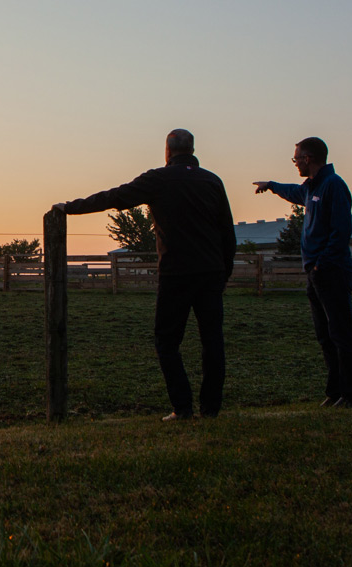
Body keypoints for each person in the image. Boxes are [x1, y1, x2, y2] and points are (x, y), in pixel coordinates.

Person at [54, 129, 236, 421]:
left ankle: (183, 407)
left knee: (167, 341)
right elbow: (227, 230)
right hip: (211, 272)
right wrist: (224, 272)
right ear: (192, 149)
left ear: (167, 151)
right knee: (212, 341)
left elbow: (115, 197)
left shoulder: (159, 179)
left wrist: (71, 208)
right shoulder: (212, 181)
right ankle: (211, 408)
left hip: (177, 272)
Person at [253, 137, 352, 408]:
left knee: (341, 333)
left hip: (331, 271)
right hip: (317, 273)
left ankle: (351, 394)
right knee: (325, 334)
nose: (295, 163)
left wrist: (320, 263)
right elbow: (295, 192)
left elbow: (341, 232)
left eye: (296, 158)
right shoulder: (313, 187)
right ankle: (335, 391)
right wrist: (272, 186)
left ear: (309, 158)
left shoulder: (333, 186)